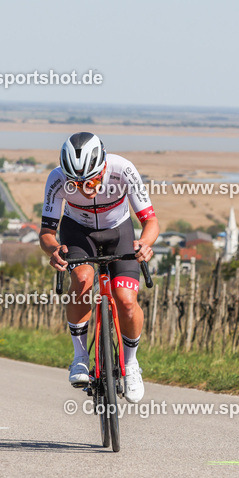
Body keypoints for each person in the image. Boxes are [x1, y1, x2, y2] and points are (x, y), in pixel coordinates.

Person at [39, 132, 159, 403]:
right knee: (82, 280)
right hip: (78, 233)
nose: (86, 188)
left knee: (126, 299)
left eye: (92, 180)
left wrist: (145, 243)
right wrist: (53, 249)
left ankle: (131, 364)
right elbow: (47, 232)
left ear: (104, 166)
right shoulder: (57, 178)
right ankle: (80, 357)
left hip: (119, 232)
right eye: (77, 183)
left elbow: (151, 221)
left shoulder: (123, 169)